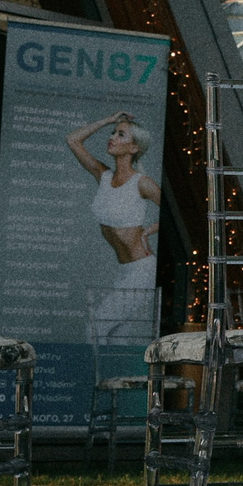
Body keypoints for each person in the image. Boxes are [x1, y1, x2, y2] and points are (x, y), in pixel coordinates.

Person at [68, 111, 161, 344]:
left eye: (121, 134)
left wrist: (149, 230)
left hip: (143, 272)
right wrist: (108, 120)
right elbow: (73, 140)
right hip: (125, 271)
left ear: (134, 148)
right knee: (117, 338)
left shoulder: (142, 183)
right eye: (113, 133)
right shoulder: (103, 176)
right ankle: (113, 380)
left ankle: (90, 380)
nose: (112, 137)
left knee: (96, 328)